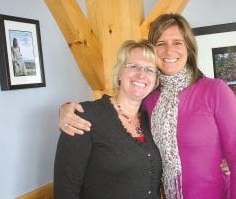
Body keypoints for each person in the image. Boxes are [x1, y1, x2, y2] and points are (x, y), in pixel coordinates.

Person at [58, 14, 236, 199]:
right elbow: (113, 111)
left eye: (177, 42)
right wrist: (67, 109)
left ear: (189, 48)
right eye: (160, 44)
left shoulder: (215, 91)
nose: (169, 51)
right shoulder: (150, 99)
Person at [54, 40, 163, 199]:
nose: (141, 74)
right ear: (119, 72)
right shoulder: (85, 116)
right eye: (133, 66)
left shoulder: (152, 119)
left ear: (155, 80)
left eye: (149, 69)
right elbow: (66, 190)